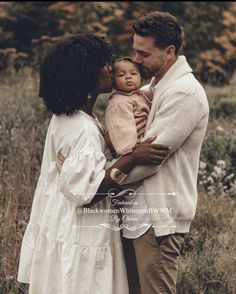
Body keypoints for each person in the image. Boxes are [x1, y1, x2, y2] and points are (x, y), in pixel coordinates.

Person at [17, 33, 170, 294]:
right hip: (80, 231)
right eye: (104, 65)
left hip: (60, 222)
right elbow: (87, 195)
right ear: (86, 77)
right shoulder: (82, 130)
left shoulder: (67, 117)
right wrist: (132, 158)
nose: (111, 69)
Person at [119, 11, 210, 294]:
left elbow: (150, 161)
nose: (136, 60)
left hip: (158, 221)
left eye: (143, 54)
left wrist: (102, 178)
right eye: (134, 51)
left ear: (169, 51)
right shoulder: (153, 87)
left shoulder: (184, 93)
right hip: (135, 215)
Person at [104, 57, 153, 156]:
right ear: (114, 82)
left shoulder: (141, 94)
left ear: (141, 78)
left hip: (147, 137)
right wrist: (128, 148)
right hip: (134, 148)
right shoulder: (118, 102)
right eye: (121, 75)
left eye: (133, 73)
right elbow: (120, 126)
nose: (128, 77)